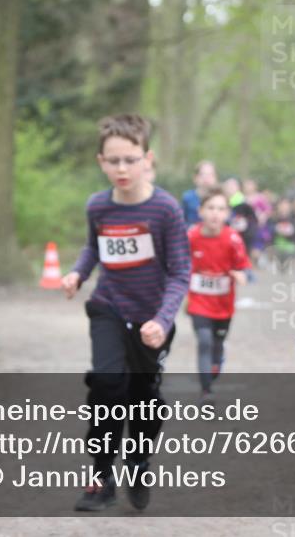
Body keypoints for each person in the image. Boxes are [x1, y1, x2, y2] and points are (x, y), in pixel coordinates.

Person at [62, 113, 191, 512]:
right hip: (109, 308)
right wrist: (77, 273)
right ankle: (100, 478)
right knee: (107, 383)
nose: (122, 168)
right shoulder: (98, 206)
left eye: (130, 160)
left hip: (153, 319)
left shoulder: (166, 209)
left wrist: (162, 319)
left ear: (147, 159)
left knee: (143, 397)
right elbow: (93, 247)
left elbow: (180, 271)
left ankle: (138, 461)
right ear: (101, 161)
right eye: (113, 160)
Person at [186, 186, 251, 404]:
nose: (215, 213)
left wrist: (240, 275)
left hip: (223, 305)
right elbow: (179, 264)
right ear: (200, 211)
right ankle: (207, 392)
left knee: (217, 345)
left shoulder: (233, 239)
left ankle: (214, 368)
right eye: (211, 208)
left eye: (221, 209)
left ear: (227, 214)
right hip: (198, 302)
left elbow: (243, 267)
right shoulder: (191, 236)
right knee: (204, 341)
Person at [181, 160, 218, 227]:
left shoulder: (221, 199)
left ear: (215, 178)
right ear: (195, 178)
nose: (206, 178)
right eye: (203, 175)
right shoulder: (187, 198)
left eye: (210, 175)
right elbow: (182, 221)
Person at [270, 198, 295, 275]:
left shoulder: (294, 217)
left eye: (286, 205)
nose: (284, 207)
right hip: (276, 244)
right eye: (282, 205)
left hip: (290, 245)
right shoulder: (273, 218)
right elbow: (269, 231)